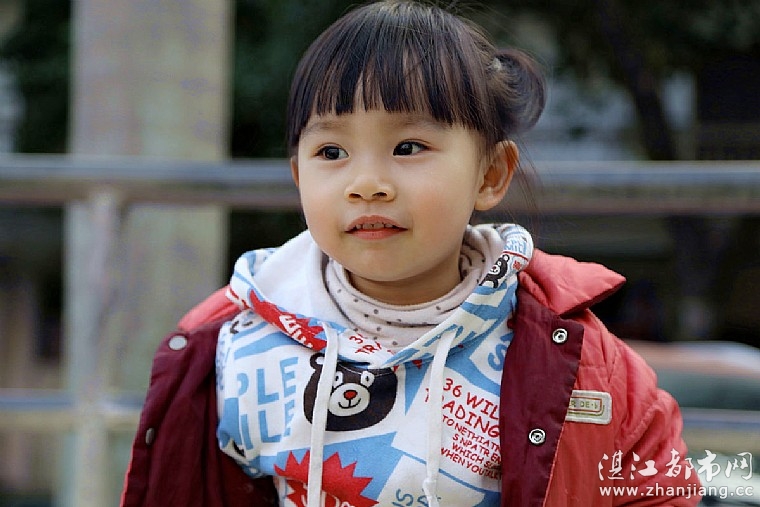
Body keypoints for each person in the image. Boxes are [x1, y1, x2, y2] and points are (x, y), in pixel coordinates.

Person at [120, 1, 701, 506]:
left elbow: (656, 490)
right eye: (331, 152)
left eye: (408, 146)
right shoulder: (235, 346)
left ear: (490, 174)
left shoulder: (574, 356)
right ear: (298, 178)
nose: (366, 184)